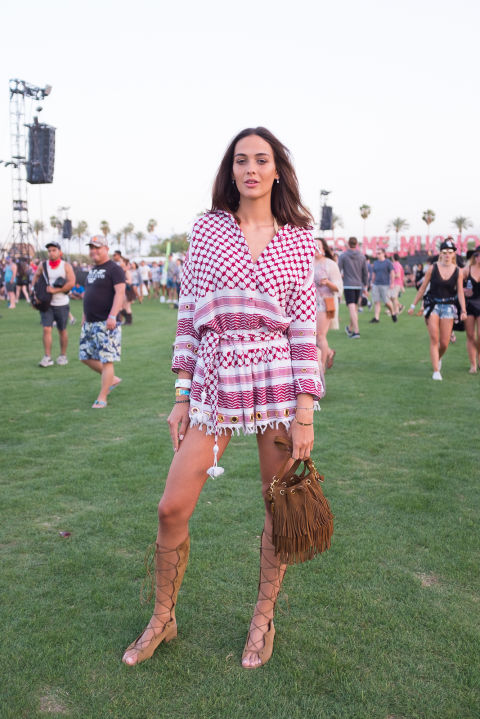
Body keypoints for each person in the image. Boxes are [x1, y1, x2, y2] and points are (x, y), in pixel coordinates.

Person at [122, 127, 324, 670]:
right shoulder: (209, 230)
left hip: (277, 383)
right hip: (214, 380)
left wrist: (305, 410)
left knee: (278, 505)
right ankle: (163, 618)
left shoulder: (300, 238)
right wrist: (182, 393)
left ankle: (263, 618)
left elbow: (303, 328)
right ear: (230, 170)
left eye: (262, 159)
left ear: (277, 169)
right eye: (241, 160)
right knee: (172, 506)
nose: (251, 169)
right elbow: (189, 314)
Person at [408, 238, 467, 380]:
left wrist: (463, 310)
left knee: (444, 343)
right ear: (441, 253)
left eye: (450, 252)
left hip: (448, 307)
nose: (447, 255)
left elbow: (460, 291)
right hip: (432, 305)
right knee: (434, 339)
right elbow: (423, 288)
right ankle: (436, 371)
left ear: (454, 254)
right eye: (445, 252)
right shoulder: (433, 268)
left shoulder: (458, 271)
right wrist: (413, 305)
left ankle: (437, 358)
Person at [79, 236, 126, 407]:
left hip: (107, 323)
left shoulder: (114, 269)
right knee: (85, 356)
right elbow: (89, 294)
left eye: (97, 247)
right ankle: (111, 379)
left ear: (106, 248)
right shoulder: (92, 270)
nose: (93, 251)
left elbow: (120, 293)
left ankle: (102, 397)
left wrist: (113, 315)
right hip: (90, 322)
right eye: (91, 247)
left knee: (107, 360)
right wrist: (84, 317)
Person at [32, 242, 75, 367]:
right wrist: (35, 293)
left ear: (59, 252)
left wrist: (55, 290)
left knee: (62, 330)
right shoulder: (43, 265)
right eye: (49, 250)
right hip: (47, 303)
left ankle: (63, 355)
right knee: (46, 329)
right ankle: (47, 357)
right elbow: (35, 277)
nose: (51, 252)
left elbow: (72, 282)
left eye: (54, 250)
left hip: (62, 303)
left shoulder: (65, 266)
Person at [314, 237, 342, 371]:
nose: (315, 247)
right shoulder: (306, 263)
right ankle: (329, 352)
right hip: (308, 305)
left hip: (325, 304)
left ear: (324, 248)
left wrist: (327, 283)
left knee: (320, 336)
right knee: (311, 336)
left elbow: (338, 287)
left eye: (318, 245)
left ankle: (322, 367)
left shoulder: (330, 264)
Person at [338, 237, 368, 339]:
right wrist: (366, 286)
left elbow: (338, 270)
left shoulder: (343, 256)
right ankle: (350, 328)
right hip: (359, 285)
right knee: (354, 308)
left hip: (348, 285)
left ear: (348, 244)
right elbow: (365, 272)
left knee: (352, 308)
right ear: (356, 244)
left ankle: (356, 332)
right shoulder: (362, 256)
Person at [463, 247, 480, 373]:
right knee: (470, 335)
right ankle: (473, 364)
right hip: (469, 305)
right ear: (475, 256)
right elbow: (456, 285)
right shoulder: (466, 270)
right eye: (478, 255)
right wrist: (464, 290)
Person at [370, 248, 396, 323]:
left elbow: (392, 273)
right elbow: (374, 274)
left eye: (379, 253)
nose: (378, 255)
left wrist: (392, 283)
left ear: (384, 253)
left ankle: (393, 313)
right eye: (377, 253)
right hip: (376, 284)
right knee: (376, 302)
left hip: (385, 285)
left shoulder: (388, 262)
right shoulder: (375, 263)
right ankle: (376, 318)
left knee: (386, 302)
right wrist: (371, 283)